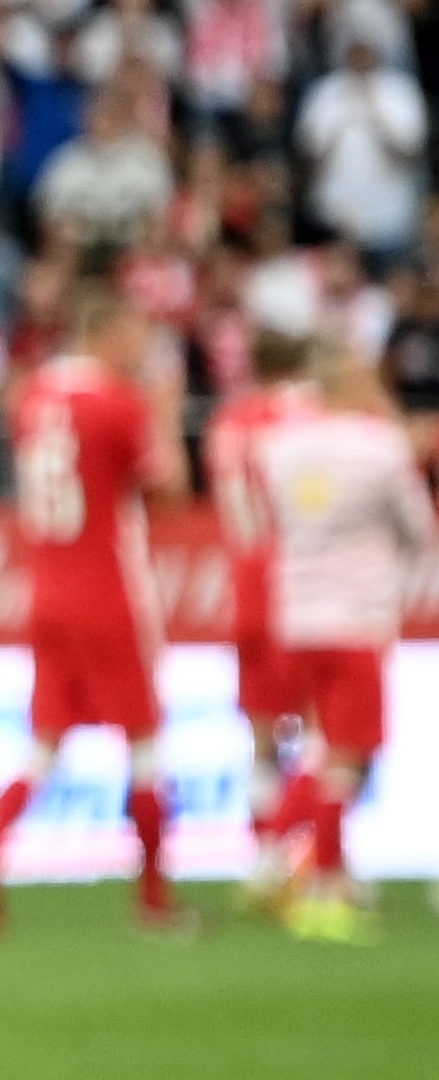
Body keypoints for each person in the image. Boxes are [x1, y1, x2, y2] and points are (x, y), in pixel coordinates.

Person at [0, 286, 184, 936]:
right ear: (109, 334)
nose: (142, 348)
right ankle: (154, 897)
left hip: (46, 590)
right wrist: (162, 412)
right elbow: (168, 489)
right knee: (143, 744)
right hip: (108, 590)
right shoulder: (119, 401)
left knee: (45, 746)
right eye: (136, 335)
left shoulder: (31, 397)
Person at [244, 344, 430, 939]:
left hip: (297, 614)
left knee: (325, 746)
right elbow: (417, 527)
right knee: (349, 754)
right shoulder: (379, 448)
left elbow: (270, 517)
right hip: (356, 616)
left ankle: (280, 857)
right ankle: (321, 885)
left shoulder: (278, 448)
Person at [208, 320, 327, 901]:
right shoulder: (305, 416)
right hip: (299, 585)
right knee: (321, 731)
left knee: (260, 734)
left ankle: (261, 847)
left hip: (244, 585)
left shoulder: (227, 421)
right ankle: (312, 864)